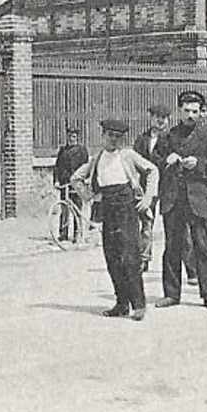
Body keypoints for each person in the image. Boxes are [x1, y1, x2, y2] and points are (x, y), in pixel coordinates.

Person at [71, 118, 159, 320]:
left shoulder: (128, 155)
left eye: (118, 137)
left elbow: (153, 170)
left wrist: (148, 197)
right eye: (110, 135)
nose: (113, 140)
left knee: (130, 256)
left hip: (127, 207)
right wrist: (88, 195)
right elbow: (76, 178)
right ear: (103, 136)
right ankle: (121, 304)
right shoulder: (97, 158)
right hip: (107, 208)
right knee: (112, 257)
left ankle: (139, 305)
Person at [152, 90, 207, 311]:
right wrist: (167, 160)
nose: (190, 115)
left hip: (198, 199)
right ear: (179, 111)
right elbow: (153, 161)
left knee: (203, 248)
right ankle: (171, 294)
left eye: (195, 111)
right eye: (186, 111)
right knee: (172, 248)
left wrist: (200, 164)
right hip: (173, 199)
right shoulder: (168, 136)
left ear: (200, 112)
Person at [136, 103, 171, 271]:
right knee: (146, 222)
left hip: (167, 186)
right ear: (151, 118)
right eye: (157, 117)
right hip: (148, 187)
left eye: (164, 117)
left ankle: (184, 265)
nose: (160, 120)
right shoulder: (142, 139)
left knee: (172, 225)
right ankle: (144, 258)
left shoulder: (172, 139)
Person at [52, 125, 89, 241]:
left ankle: (77, 233)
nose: (71, 139)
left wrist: (85, 180)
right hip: (64, 183)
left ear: (77, 137)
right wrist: (56, 181)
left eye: (73, 136)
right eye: (69, 136)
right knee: (64, 208)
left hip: (77, 183)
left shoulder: (82, 150)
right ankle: (63, 233)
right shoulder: (63, 150)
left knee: (77, 208)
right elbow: (57, 167)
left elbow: (86, 167)